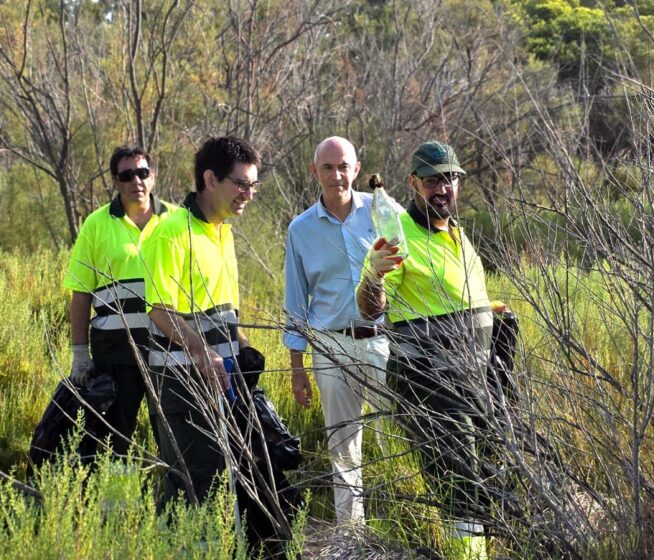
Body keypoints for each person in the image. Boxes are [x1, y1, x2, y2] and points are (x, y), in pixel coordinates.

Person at [356, 140, 493, 559]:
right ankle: (469, 556)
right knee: (460, 477)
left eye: (450, 178)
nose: (443, 188)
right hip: (428, 381)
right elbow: (369, 308)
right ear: (413, 183)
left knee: (486, 471)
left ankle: (478, 549)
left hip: (474, 378)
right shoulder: (398, 236)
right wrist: (375, 278)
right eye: (432, 180)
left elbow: (457, 299)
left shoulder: (456, 232)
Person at [140, 135, 260, 508]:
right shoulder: (170, 232)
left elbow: (225, 311)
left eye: (253, 185)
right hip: (182, 384)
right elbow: (159, 310)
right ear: (210, 180)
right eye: (240, 184)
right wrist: (201, 351)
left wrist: (243, 347)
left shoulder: (223, 230)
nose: (248, 194)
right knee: (191, 487)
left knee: (228, 483)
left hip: (222, 382)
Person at [283, 136, 390, 527]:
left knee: (392, 435)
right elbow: (295, 302)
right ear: (315, 172)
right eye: (327, 167)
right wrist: (297, 367)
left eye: (344, 166)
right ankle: (352, 534)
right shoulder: (301, 230)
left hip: (381, 342)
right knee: (343, 447)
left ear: (357, 169)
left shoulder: (382, 212)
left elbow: (409, 273)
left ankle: (401, 522)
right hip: (331, 347)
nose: (337, 175)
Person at [63, 143, 174, 461]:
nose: (136, 181)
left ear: (152, 176)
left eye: (142, 173)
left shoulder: (176, 221)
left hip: (168, 349)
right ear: (115, 181)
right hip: (115, 352)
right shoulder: (96, 224)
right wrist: (79, 353)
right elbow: (80, 292)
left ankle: (175, 505)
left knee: (173, 433)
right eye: (127, 175)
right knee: (114, 442)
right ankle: (116, 508)